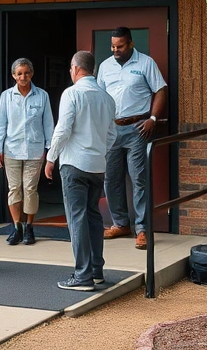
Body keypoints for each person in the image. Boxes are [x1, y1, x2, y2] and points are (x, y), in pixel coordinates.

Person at [45, 51, 117, 291]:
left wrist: (50, 158)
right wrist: (100, 152)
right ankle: (96, 270)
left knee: (76, 218)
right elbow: (112, 135)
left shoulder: (72, 93)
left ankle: (82, 275)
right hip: (98, 165)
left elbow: (62, 129)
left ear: (75, 68)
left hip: (74, 163)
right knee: (94, 216)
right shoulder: (107, 98)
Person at [96, 27, 168, 250]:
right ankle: (120, 224)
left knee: (139, 179)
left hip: (138, 128)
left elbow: (161, 90)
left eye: (120, 46)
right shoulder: (105, 66)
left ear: (131, 44)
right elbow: (98, 96)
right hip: (111, 129)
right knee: (111, 179)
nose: (116, 50)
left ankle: (142, 229)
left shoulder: (145, 63)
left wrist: (153, 118)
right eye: (113, 46)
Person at [0, 58, 55, 245]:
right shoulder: (6, 96)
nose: (23, 77)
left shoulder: (42, 95)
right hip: (11, 149)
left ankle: (29, 227)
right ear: (14, 75)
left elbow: (48, 123)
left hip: (34, 150)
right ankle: (16, 227)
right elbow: (0, 123)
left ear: (32, 73)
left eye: (26, 73)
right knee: (14, 189)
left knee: (30, 189)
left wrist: (49, 148)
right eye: (19, 74)